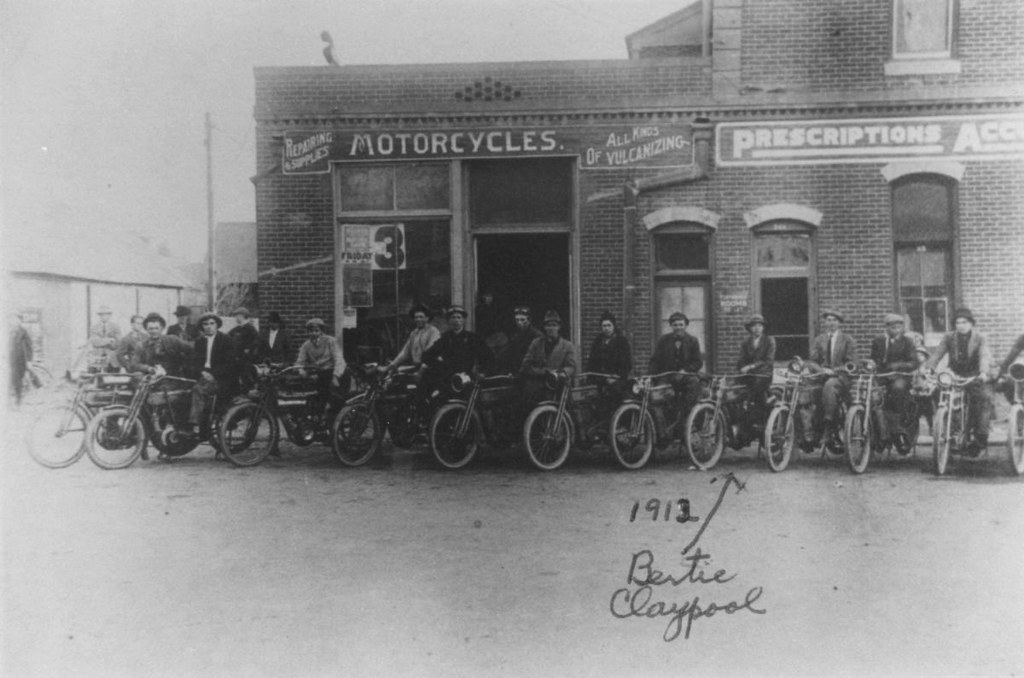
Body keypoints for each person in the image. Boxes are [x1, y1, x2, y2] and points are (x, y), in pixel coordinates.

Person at [925, 307, 995, 454]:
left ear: (971, 324)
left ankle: (980, 436)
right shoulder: (949, 337)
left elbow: (984, 355)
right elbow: (938, 353)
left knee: (983, 398)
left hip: (975, 376)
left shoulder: (980, 338)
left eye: (964, 322)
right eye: (958, 322)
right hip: (955, 374)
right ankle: (947, 427)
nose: (961, 325)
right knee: (937, 391)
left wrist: (983, 372)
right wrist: (929, 368)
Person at [420, 305, 492, 412]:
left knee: (475, 407)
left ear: (463, 320)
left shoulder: (472, 338)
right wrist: (441, 366)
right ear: (449, 321)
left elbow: (488, 357)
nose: (456, 321)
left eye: (459, 317)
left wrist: (482, 373)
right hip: (447, 379)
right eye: (453, 318)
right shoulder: (446, 338)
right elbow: (426, 356)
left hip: (466, 379)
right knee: (437, 402)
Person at [806, 309, 858, 447]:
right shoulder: (819, 339)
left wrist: (834, 370)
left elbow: (851, 363)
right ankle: (808, 431)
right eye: (829, 320)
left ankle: (828, 425)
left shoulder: (847, 340)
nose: (831, 323)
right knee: (805, 389)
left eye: (835, 320)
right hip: (822, 376)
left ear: (839, 323)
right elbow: (812, 361)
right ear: (825, 322)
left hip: (841, 378)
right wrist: (821, 370)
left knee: (830, 384)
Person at [869, 313, 920, 447]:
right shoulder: (878, 341)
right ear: (886, 328)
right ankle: (876, 431)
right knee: (872, 394)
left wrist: (897, 365)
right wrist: (871, 364)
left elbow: (914, 363)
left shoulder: (907, 342)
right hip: (882, 376)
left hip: (900, 376)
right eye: (892, 328)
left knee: (897, 389)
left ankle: (898, 426)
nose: (896, 331)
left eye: (898, 328)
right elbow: (873, 358)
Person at [184, 312, 236, 444]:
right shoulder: (200, 341)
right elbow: (194, 362)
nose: (208, 327)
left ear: (217, 325)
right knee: (184, 391)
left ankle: (194, 425)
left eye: (212, 323)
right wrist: (201, 373)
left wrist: (213, 374)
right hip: (203, 375)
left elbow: (229, 363)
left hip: (222, 378)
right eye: (205, 324)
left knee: (199, 390)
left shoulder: (226, 340)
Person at [649, 311, 703, 424]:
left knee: (694, 383)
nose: (678, 327)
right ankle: (663, 429)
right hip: (667, 376)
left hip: (685, 376)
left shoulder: (693, 341)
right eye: (675, 325)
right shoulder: (663, 340)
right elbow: (655, 361)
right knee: (657, 396)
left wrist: (685, 370)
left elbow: (698, 362)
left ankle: (686, 415)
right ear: (671, 326)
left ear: (685, 325)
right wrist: (651, 377)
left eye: (680, 324)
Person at [520, 310, 578, 406]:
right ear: (544, 327)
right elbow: (525, 366)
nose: (551, 328)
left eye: (554, 325)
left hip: (556, 389)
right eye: (548, 325)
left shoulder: (567, 346)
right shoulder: (536, 343)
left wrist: (560, 373)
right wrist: (543, 372)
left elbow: (571, 367)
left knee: (565, 413)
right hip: (536, 390)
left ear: (559, 327)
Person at [294, 317, 347, 406]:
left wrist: (336, 376)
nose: (314, 333)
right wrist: (301, 370)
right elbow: (299, 361)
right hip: (322, 375)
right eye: (311, 331)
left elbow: (339, 359)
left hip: (336, 373)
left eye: (316, 330)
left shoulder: (330, 341)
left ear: (321, 331)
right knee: (319, 400)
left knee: (336, 401)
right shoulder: (306, 345)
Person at [126, 313, 193, 378]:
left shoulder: (172, 340)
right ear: (146, 329)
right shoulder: (141, 345)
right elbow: (134, 364)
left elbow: (191, 351)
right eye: (151, 329)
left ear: (162, 328)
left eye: (156, 328)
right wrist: (148, 368)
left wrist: (184, 367)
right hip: (152, 378)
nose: (154, 331)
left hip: (174, 378)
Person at [736, 314, 776, 420]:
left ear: (763, 328)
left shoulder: (769, 341)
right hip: (749, 375)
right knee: (736, 391)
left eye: (760, 325)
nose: (757, 328)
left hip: (763, 374)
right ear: (750, 328)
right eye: (754, 326)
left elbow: (768, 360)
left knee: (756, 394)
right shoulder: (746, 342)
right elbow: (741, 359)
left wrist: (751, 366)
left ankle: (759, 417)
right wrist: (741, 368)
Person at [381, 304, 440, 374]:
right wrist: (392, 365)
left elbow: (431, 352)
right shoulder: (414, 333)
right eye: (416, 317)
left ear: (427, 318)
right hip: (416, 366)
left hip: (428, 367)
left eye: (421, 317)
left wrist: (421, 370)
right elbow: (405, 352)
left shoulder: (433, 331)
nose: (418, 319)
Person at [494, 306, 542, 375]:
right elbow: (509, 354)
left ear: (529, 320)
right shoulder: (515, 336)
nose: (519, 322)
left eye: (522, 320)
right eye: (517, 320)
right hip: (518, 373)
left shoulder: (537, 336)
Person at [8, 312, 33, 407]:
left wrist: (29, 361)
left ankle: (19, 401)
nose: (14, 322)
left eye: (16, 320)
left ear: (20, 321)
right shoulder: (12, 332)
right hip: (12, 360)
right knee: (13, 381)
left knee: (17, 381)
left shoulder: (24, 332)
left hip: (21, 360)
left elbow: (29, 347)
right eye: (13, 320)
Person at [88, 305, 122, 372]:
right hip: (97, 357)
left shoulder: (115, 327)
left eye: (106, 314)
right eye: (101, 315)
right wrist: (109, 340)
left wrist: (102, 341)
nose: (103, 317)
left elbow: (117, 342)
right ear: (99, 316)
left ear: (109, 315)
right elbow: (95, 342)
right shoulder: (94, 327)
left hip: (112, 357)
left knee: (113, 376)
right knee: (92, 374)